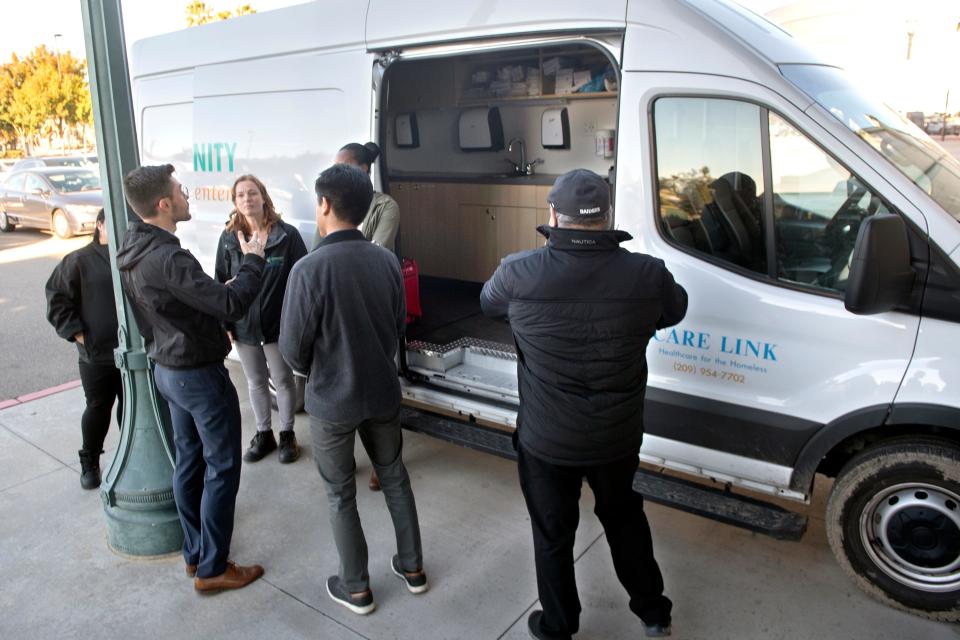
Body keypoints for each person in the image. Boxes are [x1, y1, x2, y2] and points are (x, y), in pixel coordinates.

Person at [480, 169, 688, 639]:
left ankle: (559, 625)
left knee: (553, 534)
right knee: (623, 517)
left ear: (553, 215)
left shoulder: (517, 271)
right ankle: (653, 611)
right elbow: (676, 309)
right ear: (607, 216)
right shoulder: (647, 274)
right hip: (617, 434)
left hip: (547, 439)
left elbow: (488, 304)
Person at [280, 163, 426, 616]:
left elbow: (292, 350)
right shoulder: (386, 260)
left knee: (340, 492)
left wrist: (319, 373)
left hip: (332, 402)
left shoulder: (308, 270)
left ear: (324, 205)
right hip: (382, 391)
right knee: (396, 477)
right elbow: (397, 325)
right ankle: (413, 568)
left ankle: (357, 587)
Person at [117, 164, 266, 593]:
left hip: (169, 370)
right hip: (197, 376)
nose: (186, 195)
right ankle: (213, 567)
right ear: (164, 204)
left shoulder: (134, 248)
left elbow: (181, 305)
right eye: (180, 191)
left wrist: (215, 300)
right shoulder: (168, 258)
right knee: (222, 467)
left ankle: (195, 553)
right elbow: (232, 304)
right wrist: (254, 260)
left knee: (189, 462)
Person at [313, 141, 401, 491]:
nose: (339, 173)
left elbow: (379, 247)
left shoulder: (385, 205)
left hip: (371, 295)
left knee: (380, 375)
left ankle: (385, 460)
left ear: (364, 170)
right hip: (342, 300)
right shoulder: (329, 213)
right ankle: (347, 455)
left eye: (345, 166)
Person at [215, 175, 307, 464]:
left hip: (277, 326)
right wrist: (226, 324)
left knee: (282, 380)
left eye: (252, 193)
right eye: (240, 195)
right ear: (235, 202)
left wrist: (297, 322)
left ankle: (288, 434)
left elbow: (302, 280)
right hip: (243, 325)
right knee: (255, 381)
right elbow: (220, 281)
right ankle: (263, 433)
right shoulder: (229, 238)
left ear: (264, 197)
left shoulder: (286, 235)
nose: (247, 199)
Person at [45, 208, 122, 490]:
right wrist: (77, 333)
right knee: (98, 408)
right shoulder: (78, 260)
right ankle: (89, 460)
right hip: (97, 355)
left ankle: (133, 454)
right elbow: (56, 299)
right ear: (100, 225)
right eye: (112, 224)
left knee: (131, 407)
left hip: (134, 352)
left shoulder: (130, 255)